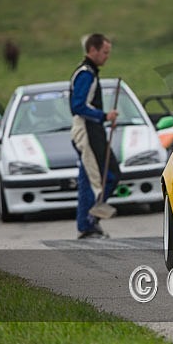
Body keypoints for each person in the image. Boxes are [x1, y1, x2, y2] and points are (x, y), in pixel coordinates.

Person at [69, 33, 120, 239]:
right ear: (93, 50)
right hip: (87, 131)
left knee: (90, 177)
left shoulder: (90, 72)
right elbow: (77, 106)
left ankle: (87, 223)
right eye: (105, 52)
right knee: (106, 177)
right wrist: (104, 115)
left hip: (93, 129)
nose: (107, 56)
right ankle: (89, 222)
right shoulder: (86, 74)